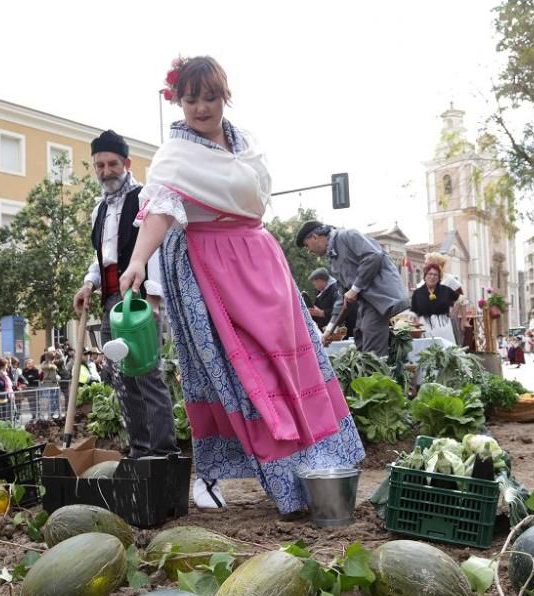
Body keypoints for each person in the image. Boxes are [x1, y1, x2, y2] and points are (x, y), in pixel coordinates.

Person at [119, 56, 364, 514]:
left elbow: (258, 200)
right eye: (190, 99)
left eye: (210, 97)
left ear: (224, 97)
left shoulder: (245, 144)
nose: (201, 107)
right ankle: (211, 476)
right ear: (177, 99)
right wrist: (137, 260)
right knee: (223, 371)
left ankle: (317, 462)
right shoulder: (175, 155)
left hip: (258, 259)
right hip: (206, 264)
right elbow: (161, 210)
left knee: (284, 363)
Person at [73, 128, 179, 460]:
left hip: (139, 300)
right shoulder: (98, 210)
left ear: (127, 163)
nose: (106, 172)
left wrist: (155, 299)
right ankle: (140, 450)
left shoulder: (145, 198)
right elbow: (103, 255)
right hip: (110, 303)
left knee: (147, 375)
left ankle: (163, 453)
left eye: (112, 164)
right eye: (100, 165)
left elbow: (157, 249)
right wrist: (89, 283)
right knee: (121, 379)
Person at [298, 220, 408, 357]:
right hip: (367, 305)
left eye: (307, 246)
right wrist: (329, 330)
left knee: (371, 354)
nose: (309, 251)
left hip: (381, 301)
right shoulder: (334, 261)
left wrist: (355, 289)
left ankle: (379, 373)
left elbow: (374, 256)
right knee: (360, 339)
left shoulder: (347, 235)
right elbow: (342, 298)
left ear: (314, 237)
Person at [410, 262, 458, 345]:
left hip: (445, 330)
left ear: (439, 277)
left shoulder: (445, 290)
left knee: (447, 354)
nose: (432, 277)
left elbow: (461, 299)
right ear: (425, 276)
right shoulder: (417, 293)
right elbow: (414, 313)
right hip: (426, 330)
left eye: (436, 275)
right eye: (430, 274)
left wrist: (453, 313)